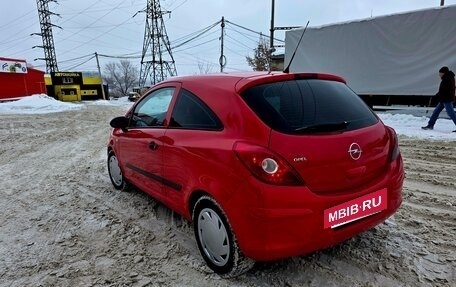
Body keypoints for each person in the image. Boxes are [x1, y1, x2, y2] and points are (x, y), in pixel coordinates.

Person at [422, 66, 456, 132]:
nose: (439, 74)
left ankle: (430, 125)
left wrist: (436, 96)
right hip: (444, 99)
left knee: (451, 114)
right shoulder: (448, 78)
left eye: (440, 73)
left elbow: (443, 90)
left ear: (443, 73)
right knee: (436, 112)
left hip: (446, 99)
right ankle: (430, 125)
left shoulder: (447, 79)